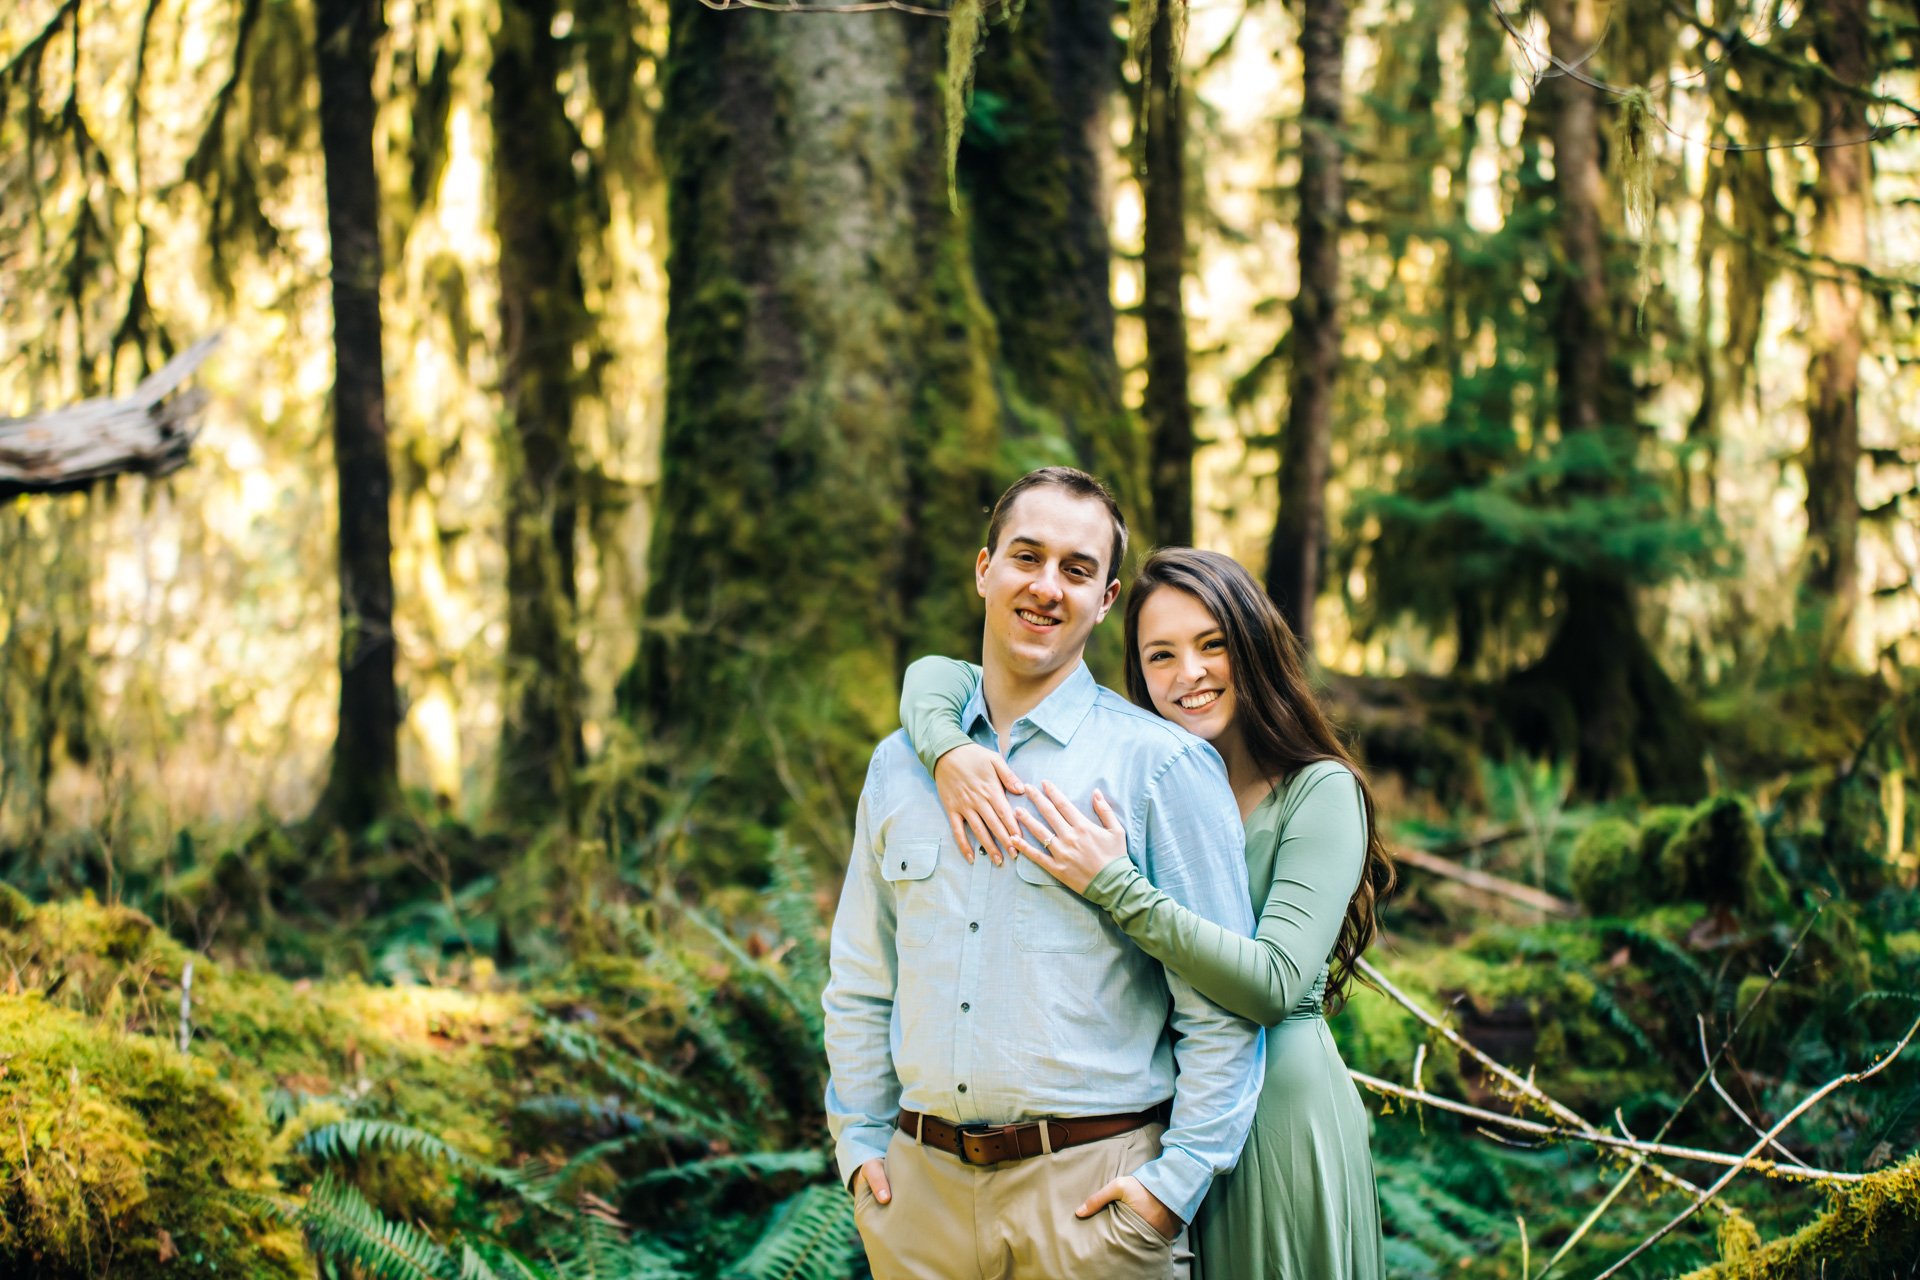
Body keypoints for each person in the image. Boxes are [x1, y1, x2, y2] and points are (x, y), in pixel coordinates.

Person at [899, 546, 1393, 1279]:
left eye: (1211, 645)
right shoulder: (1150, 775)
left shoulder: (1318, 792)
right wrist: (945, 750)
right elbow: (934, 676)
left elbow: (1274, 983)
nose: (1187, 675)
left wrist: (1116, 886)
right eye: (1160, 655)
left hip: (1278, 1118)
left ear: (1253, 648)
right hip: (1166, 1118)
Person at [824, 469, 1262, 1280]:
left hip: (1093, 1207)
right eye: (1027, 557)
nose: (1046, 587)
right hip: (919, 1202)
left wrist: (1172, 1188)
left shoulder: (1162, 768)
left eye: (1076, 568)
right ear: (984, 568)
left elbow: (1222, 1011)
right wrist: (858, 1144)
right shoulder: (898, 768)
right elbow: (860, 976)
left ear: (1106, 599)